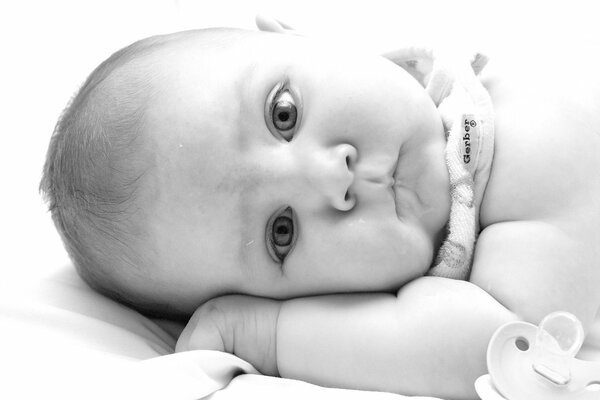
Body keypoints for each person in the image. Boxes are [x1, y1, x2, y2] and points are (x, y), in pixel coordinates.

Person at [41, 20, 600, 399]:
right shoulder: (469, 283)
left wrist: (272, 336)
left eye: (283, 113)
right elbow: (501, 350)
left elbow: (482, 344)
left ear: (304, 36)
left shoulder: (504, 120)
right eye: (281, 233)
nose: (332, 177)